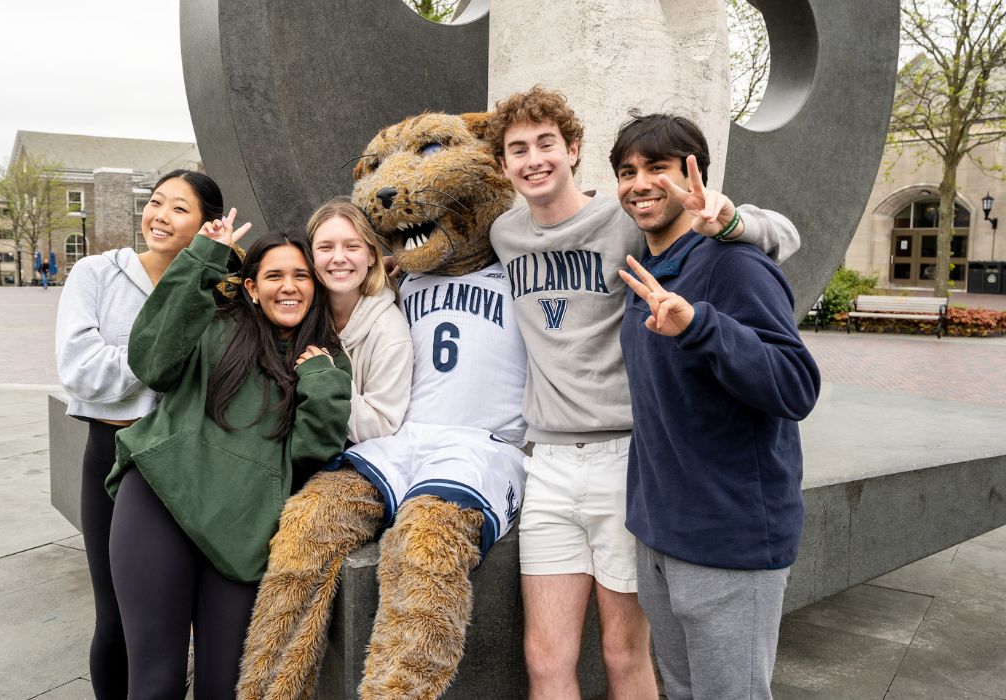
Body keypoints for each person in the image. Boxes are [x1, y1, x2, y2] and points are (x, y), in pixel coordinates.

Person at [484, 87, 799, 699]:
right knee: (545, 659)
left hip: (627, 460)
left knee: (625, 653)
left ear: (572, 150)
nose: (533, 159)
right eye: (517, 150)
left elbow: (778, 238)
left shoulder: (625, 222)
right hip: (546, 464)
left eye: (547, 143)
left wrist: (732, 222)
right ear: (504, 165)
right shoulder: (504, 234)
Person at [613, 112, 820, 700]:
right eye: (627, 172)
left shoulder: (736, 263)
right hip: (661, 534)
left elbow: (795, 385)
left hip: (730, 540)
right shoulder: (649, 267)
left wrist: (700, 325)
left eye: (657, 168)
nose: (639, 184)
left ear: (693, 175)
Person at [106, 219, 351, 699]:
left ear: (315, 288)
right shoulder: (216, 326)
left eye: (301, 276)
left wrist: (321, 383)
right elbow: (151, 362)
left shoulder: (326, 361)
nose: (289, 287)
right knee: (155, 683)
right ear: (253, 288)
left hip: (241, 533)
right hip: (159, 502)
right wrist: (201, 257)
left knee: (227, 688)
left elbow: (310, 456)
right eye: (275, 276)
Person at [55, 169, 224, 699]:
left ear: (205, 224)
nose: (161, 216)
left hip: (186, 460)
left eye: (180, 208)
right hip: (111, 454)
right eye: (156, 202)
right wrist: (159, 361)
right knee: (116, 619)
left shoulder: (217, 288)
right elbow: (80, 368)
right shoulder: (98, 273)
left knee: (176, 623)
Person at [306, 196, 413, 443]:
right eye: (325, 247)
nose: (339, 257)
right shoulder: (301, 312)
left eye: (352, 246)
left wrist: (328, 383)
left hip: (354, 459)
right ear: (310, 256)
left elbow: (382, 424)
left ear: (372, 256)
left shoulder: (389, 332)